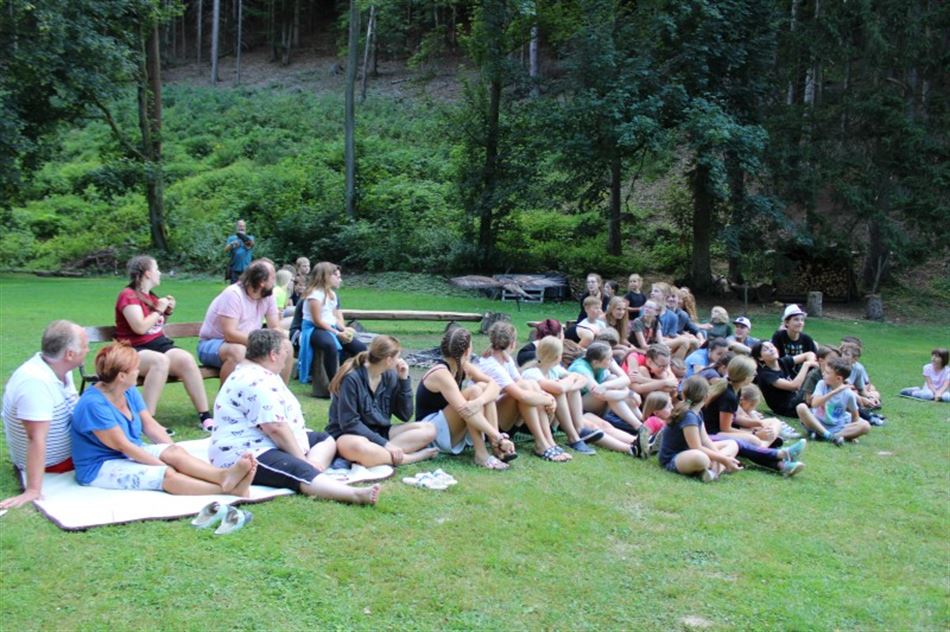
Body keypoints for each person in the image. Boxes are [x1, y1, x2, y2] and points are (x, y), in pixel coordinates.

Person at [210, 330, 380, 505]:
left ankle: (314, 467)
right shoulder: (255, 381)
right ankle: (353, 494)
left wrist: (309, 460)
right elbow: (275, 428)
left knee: (324, 439)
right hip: (249, 451)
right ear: (273, 355)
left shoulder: (258, 372)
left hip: (268, 440)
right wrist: (302, 459)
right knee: (298, 469)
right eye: (285, 352)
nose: (287, 358)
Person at [71, 343, 257, 497]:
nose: (138, 371)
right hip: (100, 465)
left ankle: (223, 476)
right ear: (121, 376)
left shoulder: (127, 390)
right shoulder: (93, 404)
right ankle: (227, 490)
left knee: (175, 452)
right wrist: (164, 466)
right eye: (135, 369)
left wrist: (172, 452)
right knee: (166, 474)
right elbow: (123, 446)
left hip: (130, 451)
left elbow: (149, 425)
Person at [116, 255, 214, 431]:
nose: (160, 273)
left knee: (186, 359)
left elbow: (154, 326)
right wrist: (159, 309)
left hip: (157, 343)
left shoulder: (150, 297)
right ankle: (147, 422)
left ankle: (205, 417)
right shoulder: (128, 296)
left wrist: (166, 312)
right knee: (159, 361)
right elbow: (140, 327)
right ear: (147, 273)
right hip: (132, 348)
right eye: (157, 269)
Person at [1, 321, 89, 510]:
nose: (88, 350)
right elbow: (36, 438)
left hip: (73, 451)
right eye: (84, 346)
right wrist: (33, 490)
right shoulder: (35, 383)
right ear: (69, 354)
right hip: (56, 464)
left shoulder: (60, 369)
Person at [326, 336, 437, 468]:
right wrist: (385, 444)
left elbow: (405, 415)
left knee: (429, 429)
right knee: (360, 447)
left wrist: (404, 380)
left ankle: (376, 456)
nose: (400, 361)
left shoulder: (389, 376)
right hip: (350, 435)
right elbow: (349, 423)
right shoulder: (352, 378)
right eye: (398, 357)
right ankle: (410, 458)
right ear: (388, 360)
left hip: (379, 432)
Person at [416, 327, 517, 470]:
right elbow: (465, 410)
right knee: (475, 390)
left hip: (448, 426)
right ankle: (482, 454)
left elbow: (494, 385)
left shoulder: (463, 366)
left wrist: (480, 401)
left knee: (482, 388)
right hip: (430, 433)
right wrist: (498, 435)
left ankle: (496, 448)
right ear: (467, 351)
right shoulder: (441, 373)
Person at [479, 322, 570, 463]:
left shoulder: (506, 360)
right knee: (525, 389)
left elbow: (522, 382)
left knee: (530, 384)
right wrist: (549, 399)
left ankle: (548, 441)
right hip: (491, 424)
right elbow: (521, 395)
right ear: (512, 343)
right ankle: (541, 443)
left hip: (505, 418)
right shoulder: (493, 366)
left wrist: (544, 395)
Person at [702, 357, 807, 477]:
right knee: (754, 440)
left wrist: (758, 424)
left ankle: (781, 464)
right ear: (745, 377)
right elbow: (724, 428)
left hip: (720, 431)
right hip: (713, 434)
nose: (756, 374)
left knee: (769, 425)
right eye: (753, 373)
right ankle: (781, 456)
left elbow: (734, 418)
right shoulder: (728, 395)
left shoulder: (735, 390)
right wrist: (754, 434)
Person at [198, 259, 291, 384]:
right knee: (238, 351)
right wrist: (262, 344)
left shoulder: (268, 296)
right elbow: (230, 334)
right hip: (213, 344)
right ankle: (227, 395)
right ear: (262, 282)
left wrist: (278, 339)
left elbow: (274, 326)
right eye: (273, 278)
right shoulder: (233, 294)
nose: (274, 282)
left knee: (286, 346)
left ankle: (279, 393)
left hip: (247, 344)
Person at [521, 336, 616, 456]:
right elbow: (559, 388)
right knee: (560, 391)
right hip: (536, 421)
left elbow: (582, 379)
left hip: (551, 416)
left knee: (572, 389)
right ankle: (573, 436)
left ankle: (578, 429)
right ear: (557, 357)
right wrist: (570, 379)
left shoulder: (554, 369)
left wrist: (569, 383)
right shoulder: (532, 373)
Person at [656, 376, 741, 482]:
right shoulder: (688, 416)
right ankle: (712, 470)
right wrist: (723, 459)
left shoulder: (697, 412)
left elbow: (705, 440)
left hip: (689, 452)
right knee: (701, 458)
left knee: (732, 444)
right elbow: (696, 447)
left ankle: (712, 472)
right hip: (674, 458)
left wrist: (720, 457)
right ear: (706, 396)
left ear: (683, 394)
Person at [297, 261, 367, 386]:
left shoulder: (332, 294)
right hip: (314, 329)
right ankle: (334, 384)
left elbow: (333, 317)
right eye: (337, 276)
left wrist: (344, 329)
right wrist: (337, 333)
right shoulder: (315, 295)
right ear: (326, 277)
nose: (340, 280)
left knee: (360, 348)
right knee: (330, 345)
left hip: (330, 327)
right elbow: (317, 321)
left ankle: (354, 379)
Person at [569, 342, 645, 441]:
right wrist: (629, 394)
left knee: (613, 379)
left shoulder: (604, 360)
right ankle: (639, 426)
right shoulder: (581, 368)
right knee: (611, 390)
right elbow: (599, 394)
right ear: (596, 362)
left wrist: (605, 386)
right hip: (580, 407)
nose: (611, 360)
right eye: (609, 359)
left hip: (599, 403)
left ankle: (643, 421)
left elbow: (626, 379)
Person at [796, 357, 871, 445]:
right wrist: (834, 392)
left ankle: (832, 436)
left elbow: (855, 416)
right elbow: (814, 404)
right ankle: (828, 435)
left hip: (837, 427)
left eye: (827, 373)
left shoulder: (848, 394)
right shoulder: (822, 384)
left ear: (838, 378)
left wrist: (853, 435)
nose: (823, 374)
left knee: (865, 425)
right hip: (816, 423)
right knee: (801, 407)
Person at [751, 341, 819, 418]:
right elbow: (794, 386)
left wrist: (811, 363)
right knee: (815, 377)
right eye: (766, 349)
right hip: (788, 408)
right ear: (760, 357)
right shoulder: (765, 375)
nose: (771, 349)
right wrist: (806, 365)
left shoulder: (782, 362)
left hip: (797, 398)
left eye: (772, 346)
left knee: (817, 374)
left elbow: (809, 354)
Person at [225, 219, 255, 283]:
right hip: (235, 268)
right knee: (234, 287)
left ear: (245, 227)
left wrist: (242, 237)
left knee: (246, 287)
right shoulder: (231, 238)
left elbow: (251, 244)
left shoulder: (250, 238)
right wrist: (232, 244)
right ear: (237, 227)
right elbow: (225, 249)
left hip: (246, 269)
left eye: (243, 226)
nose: (242, 227)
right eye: (240, 226)